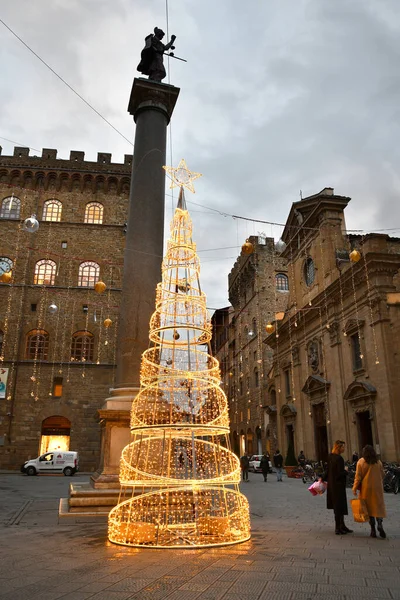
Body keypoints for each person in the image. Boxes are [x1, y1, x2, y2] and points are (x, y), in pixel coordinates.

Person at [352, 445, 387, 538]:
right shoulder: (378, 462)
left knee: (369, 508)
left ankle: (373, 530)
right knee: (378, 507)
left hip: (366, 488)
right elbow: (383, 474)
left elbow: (358, 477)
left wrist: (354, 488)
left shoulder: (361, 462)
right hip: (377, 488)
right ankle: (380, 523)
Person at [321, 440, 353, 535]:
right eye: (343, 447)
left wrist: (322, 478)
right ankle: (338, 528)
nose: (344, 448)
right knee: (339, 506)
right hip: (338, 485)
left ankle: (342, 525)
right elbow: (339, 474)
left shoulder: (330, 457)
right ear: (339, 448)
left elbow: (328, 470)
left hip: (332, 485)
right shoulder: (339, 459)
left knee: (337, 506)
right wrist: (346, 471)